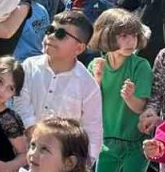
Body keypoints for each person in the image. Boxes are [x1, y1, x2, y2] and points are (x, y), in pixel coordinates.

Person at [87, 8, 153, 172]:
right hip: (107, 140)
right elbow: (90, 103)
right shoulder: (97, 65)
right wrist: (97, 81)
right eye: (123, 36)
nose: (129, 42)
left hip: (136, 143)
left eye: (133, 36)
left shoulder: (140, 65)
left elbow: (139, 108)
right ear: (107, 36)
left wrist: (129, 97)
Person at [15, 11, 102, 159]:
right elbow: (21, 103)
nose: (51, 36)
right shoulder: (29, 66)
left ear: (79, 48)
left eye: (61, 34)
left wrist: (85, 164)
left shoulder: (88, 85)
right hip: (22, 151)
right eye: (50, 30)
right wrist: (36, 136)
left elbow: (92, 129)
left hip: (61, 161)